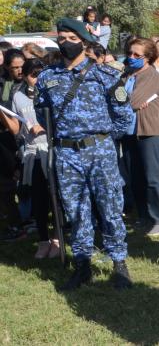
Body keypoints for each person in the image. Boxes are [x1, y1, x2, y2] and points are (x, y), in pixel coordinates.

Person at [35, 18, 134, 290]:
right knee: (76, 211)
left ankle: (119, 263)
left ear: (84, 41)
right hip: (66, 153)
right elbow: (42, 114)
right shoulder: (47, 77)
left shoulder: (105, 75)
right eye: (61, 37)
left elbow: (124, 116)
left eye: (71, 37)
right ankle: (82, 265)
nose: (65, 42)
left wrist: (102, 139)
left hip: (100, 150)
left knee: (110, 207)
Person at [3, 59, 59, 258]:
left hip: (53, 150)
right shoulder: (18, 96)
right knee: (39, 198)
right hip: (33, 154)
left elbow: (62, 121)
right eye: (33, 75)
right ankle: (43, 241)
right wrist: (3, 114)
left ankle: (57, 239)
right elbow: (17, 129)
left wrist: (44, 127)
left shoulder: (53, 92)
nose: (37, 79)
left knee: (57, 199)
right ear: (25, 76)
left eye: (40, 74)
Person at [121, 38, 159, 237]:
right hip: (129, 133)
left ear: (148, 57)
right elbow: (114, 98)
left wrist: (124, 104)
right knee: (136, 178)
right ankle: (144, 217)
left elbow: (134, 100)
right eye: (130, 53)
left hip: (148, 132)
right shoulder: (127, 75)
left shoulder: (151, 76)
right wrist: (124, 104)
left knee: (152, 177)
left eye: (136, 55)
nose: (131, 58)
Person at [0, 49, 25, 241]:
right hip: (8, 137)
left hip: (24, 137)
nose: (19, 71)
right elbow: (6, 107)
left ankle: (21, 222)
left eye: (21, 66)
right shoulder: (7, 84)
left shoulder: (29, 83)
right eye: (15, 67)